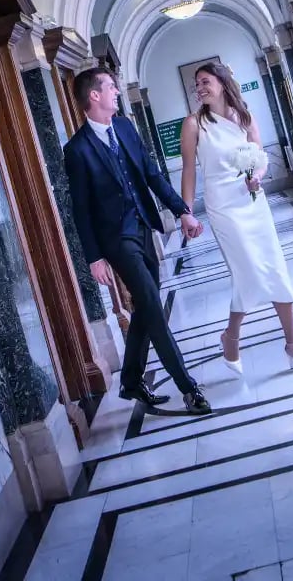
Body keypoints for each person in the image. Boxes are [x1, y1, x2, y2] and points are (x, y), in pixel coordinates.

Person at [63, 67, 212, 415]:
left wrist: (182, 211)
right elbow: (80, 210)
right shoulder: (77, 150)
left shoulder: (126, 128)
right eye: (111, 87)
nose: (117, 91)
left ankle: (131, 380)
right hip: (116, 240)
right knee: (152, 306)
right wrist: (94, 257)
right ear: (94, 96)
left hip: (143, 227)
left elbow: (151, 174)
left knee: (146, 305)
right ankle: (188, 388)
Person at [180, 61, 293, 376]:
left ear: (222, 81)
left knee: (274, 267)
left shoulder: (245, 116)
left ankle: (292, 343)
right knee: (248, 274)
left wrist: (257, 176)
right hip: (224, 209)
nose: (199, 88)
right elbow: (189, 170)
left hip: (253, 203)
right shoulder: (193, 125)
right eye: (196, 84)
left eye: (205, 81)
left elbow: (260, 157)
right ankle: (231, 337)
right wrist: (185, 212)